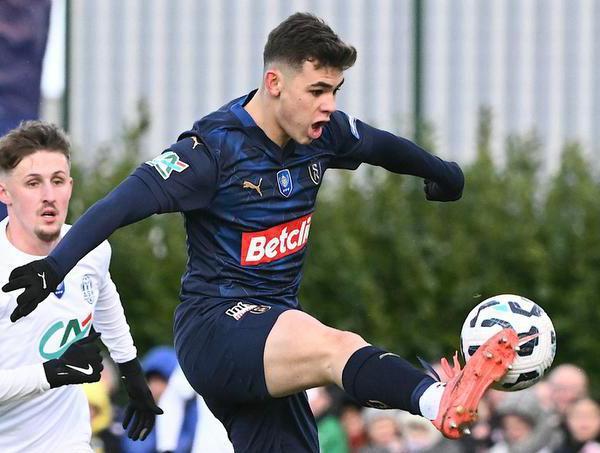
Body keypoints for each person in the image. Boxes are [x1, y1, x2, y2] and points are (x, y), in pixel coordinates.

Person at [2, 13, 519, 452]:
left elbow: (381, 147)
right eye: (316, 90)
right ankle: (437, 398)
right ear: (274, 83)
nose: (328, 104)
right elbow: (120, 204)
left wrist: (443, 174)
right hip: (216, 327)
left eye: (334, 91)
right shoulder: (212, 151)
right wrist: (54, 266)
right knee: (336, 346)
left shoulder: (323, 134)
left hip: (271, 334)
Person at [0, 120, 161, 452]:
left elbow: (105, 301)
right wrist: (51, 373)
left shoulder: (91, 250)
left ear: (70, 186)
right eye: (33, 183)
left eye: (58, 181)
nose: (49, 196)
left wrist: (131, 372)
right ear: (4, 193)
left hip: (68, 442)